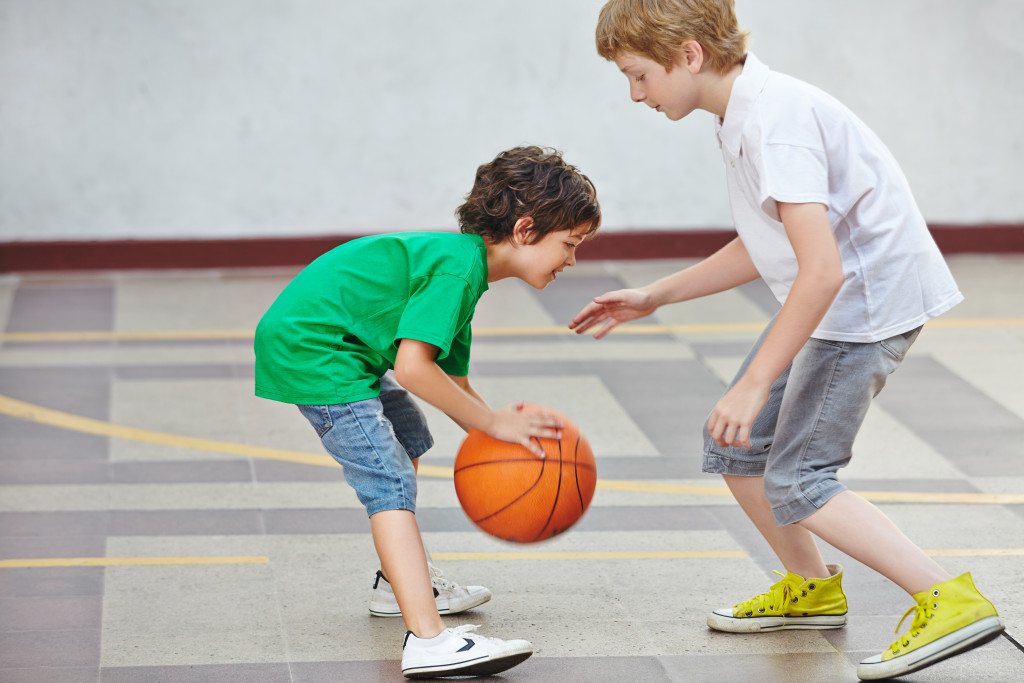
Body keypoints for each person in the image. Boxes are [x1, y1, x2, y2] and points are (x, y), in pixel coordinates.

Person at [570, 1, 1003, 679]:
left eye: (638, 75)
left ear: (688, 55)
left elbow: (822, 271)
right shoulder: (742, 115)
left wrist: (750, 383)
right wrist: (657, 295)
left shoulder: (777, 123)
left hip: (863, 311)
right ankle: (812, 588)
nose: (634, 95)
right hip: (837, 301)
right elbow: (766, 242)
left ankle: (951, 599)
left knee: (800, 476)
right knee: (733, 446)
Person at [255, 145, 601, 678]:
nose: (573, 261)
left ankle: (397, 587)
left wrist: (503, 438)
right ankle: (428, 639)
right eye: (570, 245)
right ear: (526, 230)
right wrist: (491, 423)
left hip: (341, 346)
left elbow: (452, 380)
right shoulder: (456, 272)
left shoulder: (464, 270)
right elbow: (414, 371)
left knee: (409, 435)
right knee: (387, 480)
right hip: (317, 350)